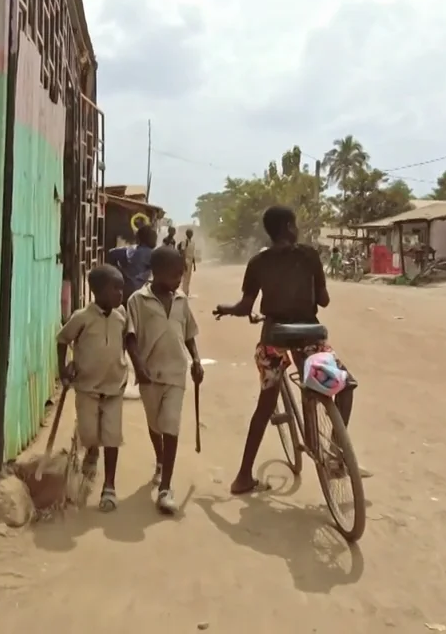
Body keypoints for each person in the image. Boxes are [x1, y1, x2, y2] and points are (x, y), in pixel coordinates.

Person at [214, 205, 362, 495]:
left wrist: (225, 309)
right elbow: (324, 301)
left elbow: (245, 306)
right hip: (309, 334)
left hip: (274, 337)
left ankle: (243, 477)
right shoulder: (309, 255)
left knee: (265, 404)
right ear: (289, 227)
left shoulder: (258, 262)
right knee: (345, 386)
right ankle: (335, 451)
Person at [125, 246, 204, 514]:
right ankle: (159, 460)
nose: (178, 280)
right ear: (156, 273)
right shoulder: (138, 300)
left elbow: (189, 334)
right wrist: (138, 367)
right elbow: (131, 337)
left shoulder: (181, 300)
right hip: (149, 374)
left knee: (170, 424)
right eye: (174, 275)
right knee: (154, 423)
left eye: (180, 275)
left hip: (176, 372)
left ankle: (165, 488)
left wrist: (196, 360)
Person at [57, 265, 129, 511]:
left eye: (122, 288)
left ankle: (109, 487)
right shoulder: (81, 317)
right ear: (97, 291)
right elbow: (62, 339)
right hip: (87, 387)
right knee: (89, 432)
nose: (120, 293)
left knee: (112, 436)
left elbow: (126, 344)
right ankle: (91, 450)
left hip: (114, 387)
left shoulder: (122, 316)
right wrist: (62, 368)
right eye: (115, 288)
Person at [107, 225, 157, 305]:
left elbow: (111, 253)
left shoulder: (130, 250)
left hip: (125, 289)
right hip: (141, 292)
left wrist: (119, 272)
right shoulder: (152, 254)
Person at [178, 229, 198, 297]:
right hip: (186, 261)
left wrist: (194, 264)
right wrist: (184, 263)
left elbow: (193, 254)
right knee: (184, 278)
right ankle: (183, 293)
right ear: (187, 234)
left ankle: (186, 292)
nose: (190, 234)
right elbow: (182, 252)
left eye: (191, 233)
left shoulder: (193, 242)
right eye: (189, 233)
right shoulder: (184, 241)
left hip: (190, 262)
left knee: (188, 278)